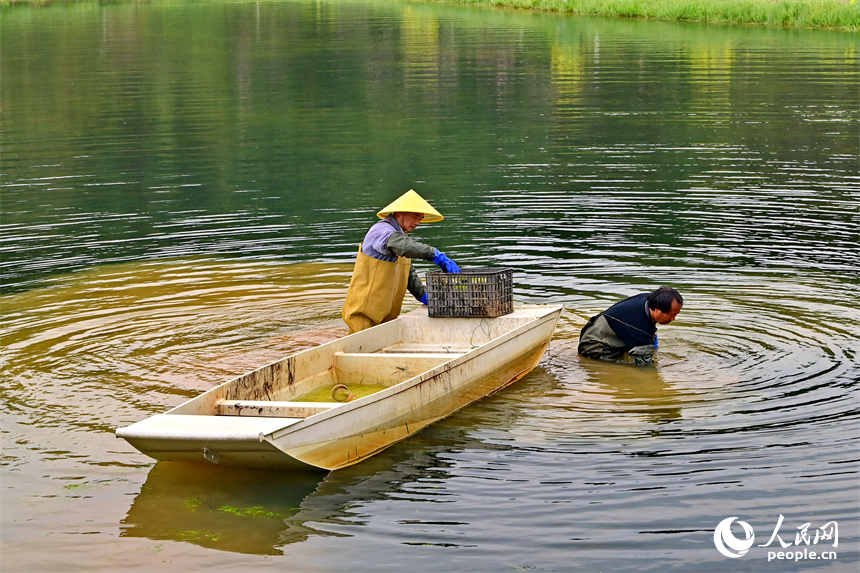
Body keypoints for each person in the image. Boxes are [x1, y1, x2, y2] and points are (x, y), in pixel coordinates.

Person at [342, 189, 460, 334]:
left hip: (385, 316)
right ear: (399, 213)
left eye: (421, 218)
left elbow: (408, 275)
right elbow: (400, 244)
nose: (418, 223)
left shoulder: (401, 236)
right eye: (416, 216)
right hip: (364, 315)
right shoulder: (382, 230)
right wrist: (434, 254)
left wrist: (424, 296)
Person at [578, 286, 683, 366]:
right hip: (594, 349)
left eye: (676, 314)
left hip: (597, 332)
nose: (673, 319)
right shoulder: (639, 329)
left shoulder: (649, 300)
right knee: (625, 368)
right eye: (671, 314)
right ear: (657, 309)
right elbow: (644, 366)